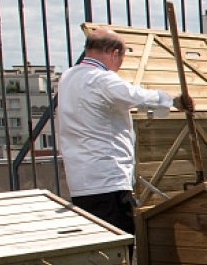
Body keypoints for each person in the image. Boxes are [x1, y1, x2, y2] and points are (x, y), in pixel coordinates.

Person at [56, 25, 190, 235]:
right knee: (119, 243)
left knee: (94, 245)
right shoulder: (102, 79)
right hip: (108, 180)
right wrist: (173, 99)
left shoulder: (67, 77)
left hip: (80, 181)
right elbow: (136, 95)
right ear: (114, 53)